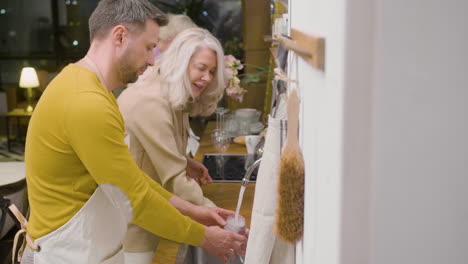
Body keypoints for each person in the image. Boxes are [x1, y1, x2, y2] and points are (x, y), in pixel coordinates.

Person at [17, 1, 245, 263]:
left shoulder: (88, 89)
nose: (151, 60)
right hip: (67, 254)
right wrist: (204, 236)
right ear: (120, 36)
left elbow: (131, 180)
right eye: (149, 47)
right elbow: (133, 198)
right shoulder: (87, 103)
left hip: (86, 247)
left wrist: (193, 210)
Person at [118, 27, 225, 263]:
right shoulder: (150, 101)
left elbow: (149, 148)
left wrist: (185, 161)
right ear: (181, 62)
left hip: (152, 215)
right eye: (201, 68)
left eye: (212, 71)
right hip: (135, 227)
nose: (207, 78)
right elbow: (175, 180)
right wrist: (220, 218)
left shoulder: (171, 90)